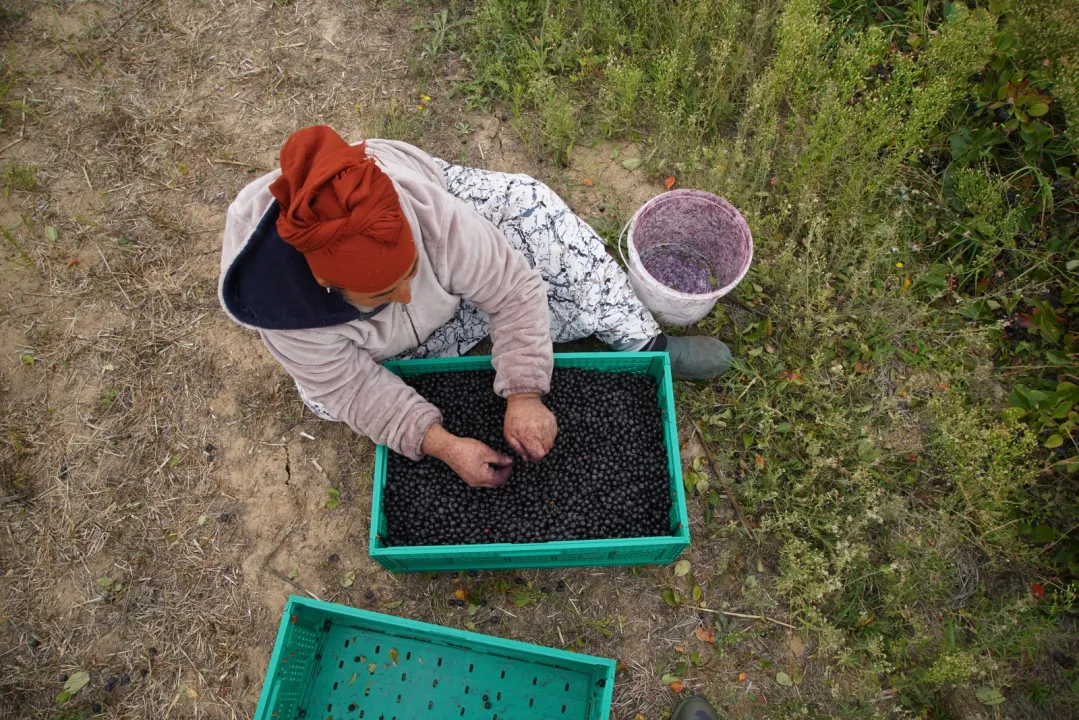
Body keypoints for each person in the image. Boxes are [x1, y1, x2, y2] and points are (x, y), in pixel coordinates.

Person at [218, 126, 731, 487]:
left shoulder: (430, 217)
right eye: (381, 295)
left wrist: (524, 394)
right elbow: (350, 386)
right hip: (369, 344)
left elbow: (513, 289)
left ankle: (642, 339)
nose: (403, 295)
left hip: (444, 214)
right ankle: (450, 346)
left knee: (535, 214)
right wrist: (442, 443)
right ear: (325, 281)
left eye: (409, 273)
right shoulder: (286, 316)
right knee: (327, 399)